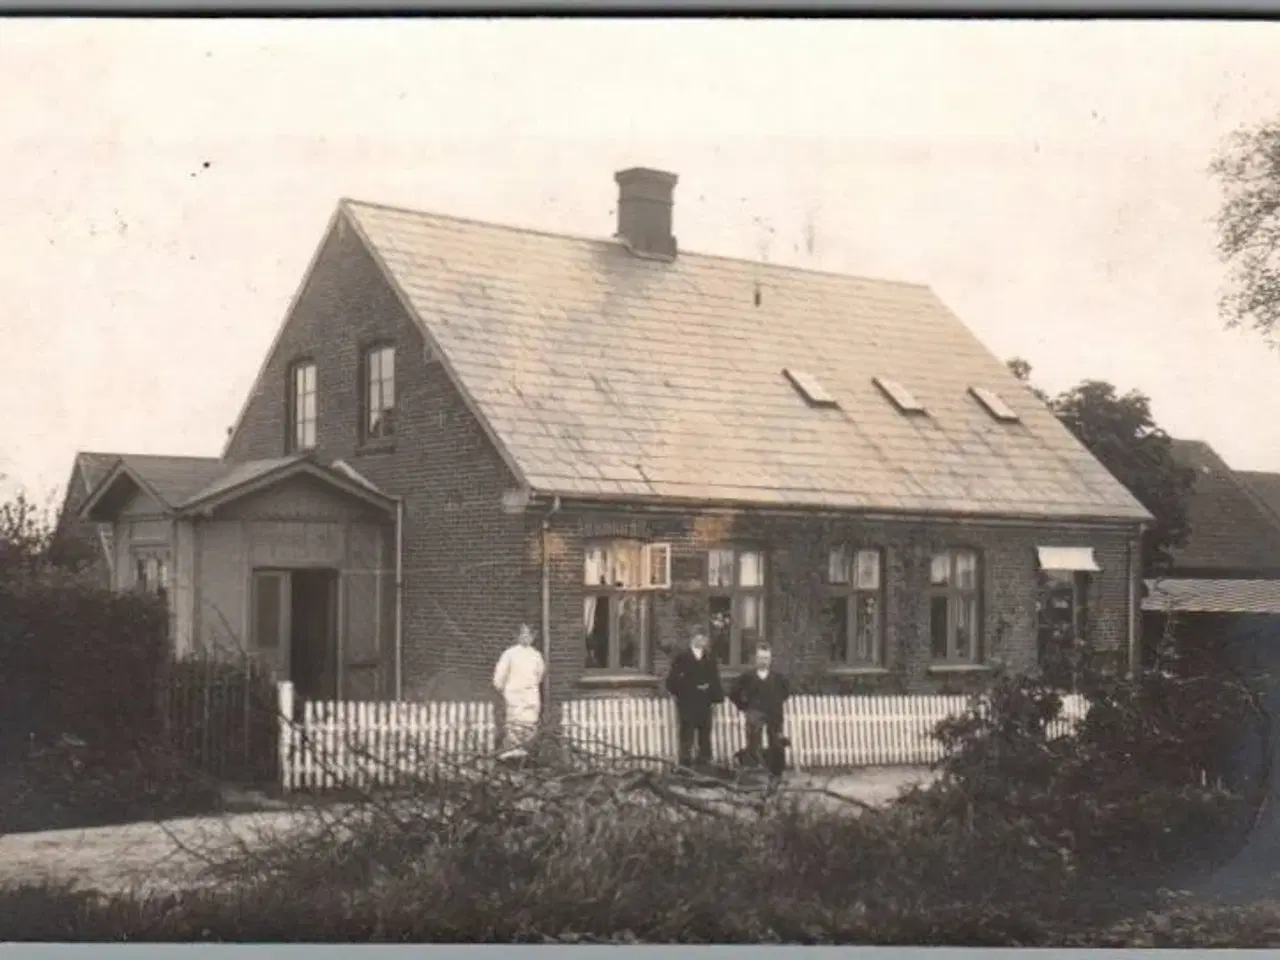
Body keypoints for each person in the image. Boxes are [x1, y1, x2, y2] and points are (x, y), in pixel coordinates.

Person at [729, 642, 791, 777]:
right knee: (753, 740)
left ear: (770, 660)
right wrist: (744, 706)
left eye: (766, 658)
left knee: (775, 741)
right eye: (761, 658)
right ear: (756, 659)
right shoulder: (748, 677)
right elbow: (733, 693)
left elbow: (786, 693)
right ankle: (753, 771)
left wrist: (776, 703)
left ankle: (776, 772)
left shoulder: (778, 678)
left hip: (774, 713)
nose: (763, 661)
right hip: (755, 711)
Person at [664, 631, 724, 771]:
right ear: (692, 639)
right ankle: (685, 768)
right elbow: (673, 680)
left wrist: (715, 697)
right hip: (688, 702)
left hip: (705, 702)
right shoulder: (682, 658)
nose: (701, 640)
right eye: (698, 637)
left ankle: (704, 766)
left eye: (703, 637)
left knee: (705, 735)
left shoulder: (709, 658)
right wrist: (683, 691)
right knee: (687, 735)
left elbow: (715, 678)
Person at [492, 623, 546, 760]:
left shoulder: (536, 655)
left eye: (529, 635)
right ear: (517, 636)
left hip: (530, 694)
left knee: (529, 721)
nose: (526, 638)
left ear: (533, 637)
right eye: (523, 634)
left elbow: (539, 675)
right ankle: (513, 750)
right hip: (514, 694)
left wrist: (530, 687)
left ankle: (527, 752)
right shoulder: (510, 654)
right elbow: (500, 675)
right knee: (514, 721)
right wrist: (503, 687)